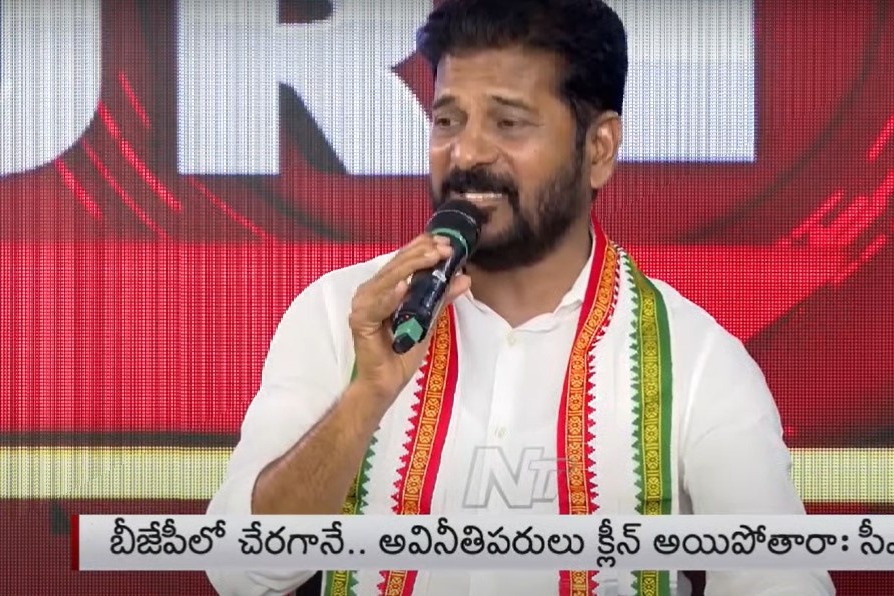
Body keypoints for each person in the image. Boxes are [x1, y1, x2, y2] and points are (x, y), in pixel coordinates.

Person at [206, 1, 835, 594]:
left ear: (599, 149)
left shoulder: (694, 359)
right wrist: (363, 399)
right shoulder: (342, 313)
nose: (466, 152)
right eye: (447, 120)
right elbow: (238, 573)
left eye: (508, 122)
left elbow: (780, 582)